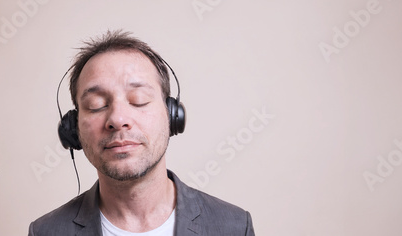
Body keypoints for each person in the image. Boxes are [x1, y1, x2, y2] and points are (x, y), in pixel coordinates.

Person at [28, 30, 255, 236]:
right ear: (73, 127)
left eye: (139, 100)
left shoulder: (233, 227)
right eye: (96, 104)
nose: (118, 119)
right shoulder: (45, 232)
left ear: (172, 116)